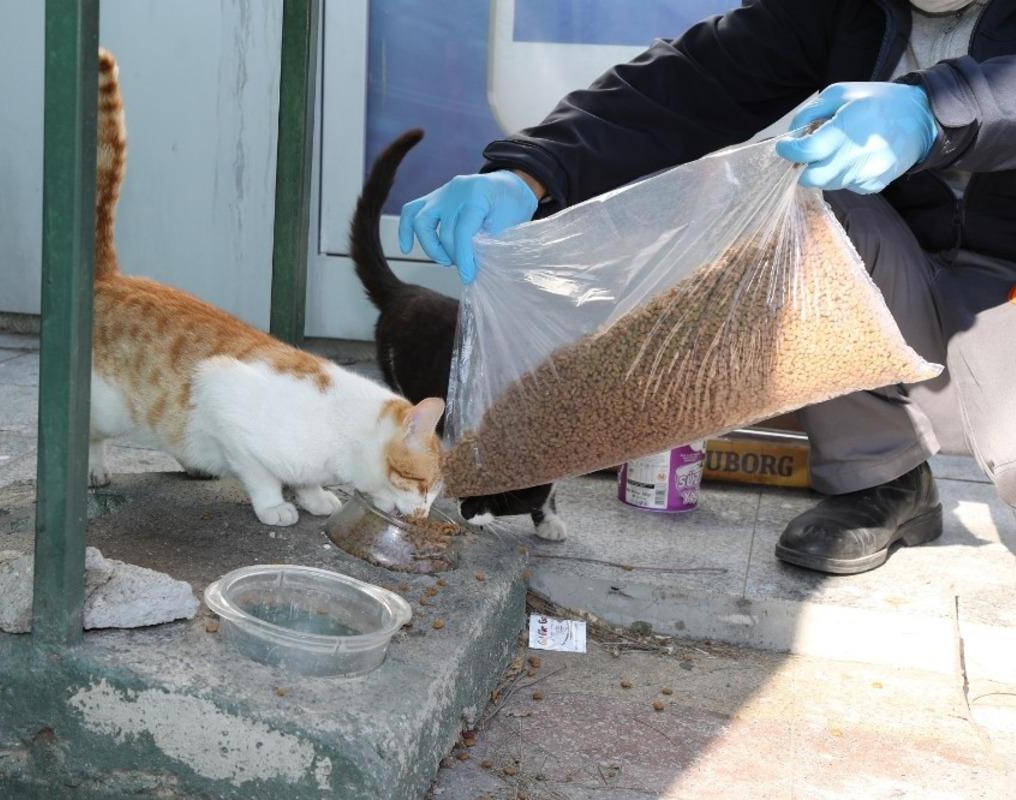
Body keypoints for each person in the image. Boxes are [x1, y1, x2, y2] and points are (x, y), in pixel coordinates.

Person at [398, 0, 1016, 575]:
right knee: (799, 199)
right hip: (903, 272)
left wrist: (936, 111)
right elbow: (687, 84)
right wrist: (530, 170)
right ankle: (879, 475)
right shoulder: (841, 8)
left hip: (1003, 292)